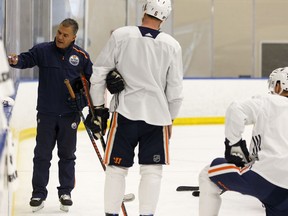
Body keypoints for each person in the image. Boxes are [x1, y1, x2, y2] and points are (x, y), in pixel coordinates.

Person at [85, 0, 183, 215]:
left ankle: (110, 213)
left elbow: (99, 73)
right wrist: (171, 119)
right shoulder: (172, 45)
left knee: (116, 170)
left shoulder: (121, 35)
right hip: (157, 118)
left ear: (144, 10)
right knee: (152, 172)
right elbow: (175, 91)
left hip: (125, 114)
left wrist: (98, 109)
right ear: (165, 18)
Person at [8, 18, 93, 212]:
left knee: (67, 155)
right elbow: (25, 59)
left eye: (65, 35)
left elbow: (91, 84)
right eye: (59, 33)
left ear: (73, 37)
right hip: (46, 114)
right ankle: (38, 193)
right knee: (42, 155)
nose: (60, 37)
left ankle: (65, 192)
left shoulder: (82, 57)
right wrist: (15, 61)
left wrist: (82, 102)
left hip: (70, 116)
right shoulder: (43, 50)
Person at [198, 67, 288, 216]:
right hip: (281, 193)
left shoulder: (268, 101)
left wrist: (234, 145)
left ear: (279, 85)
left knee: (207, 174)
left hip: (266, 180)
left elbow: (236, 109)